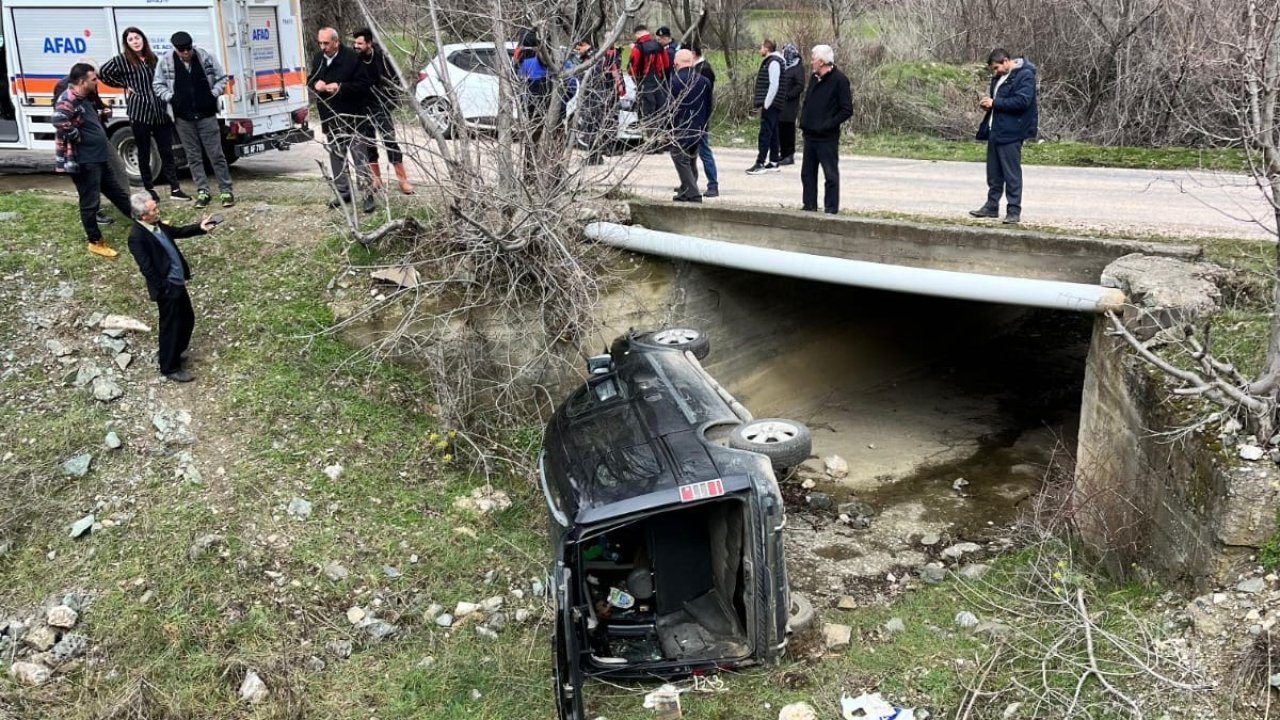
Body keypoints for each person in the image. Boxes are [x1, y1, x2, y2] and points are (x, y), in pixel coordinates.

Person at [126, 191, 218, 383]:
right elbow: (146, 268)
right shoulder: (137, 236)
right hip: (168, 289)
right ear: (142, 216)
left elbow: (177, 232)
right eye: (153, 210)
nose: (157, 211)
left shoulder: (156, 225)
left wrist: (199, 228)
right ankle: (169, 367)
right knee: (171, 326)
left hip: (177, 283)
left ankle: (176, 351)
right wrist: (164, 288)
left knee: (187, 319)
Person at [99, 27, 191, 203]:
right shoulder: (122, 60)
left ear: (143, 39)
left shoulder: (152, 58)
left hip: (159, 111)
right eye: (131, 39)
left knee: (166, 152)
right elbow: (103, 73)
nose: (135, 41)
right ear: (127, 43)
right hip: (140, 112)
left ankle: (175, 188)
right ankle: (150, 189)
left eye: (137, 37)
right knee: (144, 152)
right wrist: (124, 84)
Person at [52, 63, 133, 258]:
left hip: (98, 158)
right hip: (85, 161)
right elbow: (58, 120)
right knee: (90, 202)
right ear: (82, 82)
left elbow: (82, 118)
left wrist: (99, 115)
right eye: (94, 79)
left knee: (118, 194)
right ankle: (95, 241)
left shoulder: (83, 98)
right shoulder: (67, 99)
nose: (97, 82)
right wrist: (76, 136)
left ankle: (145, 222)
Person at [152, 31, 234, 209]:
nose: (186, 52)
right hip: (183, 118)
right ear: (175, 49)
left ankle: (226, 190)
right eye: (181, 50)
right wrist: (171, 98)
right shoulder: (165, 62)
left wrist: (213, 94)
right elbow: (158, 85)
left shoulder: (206, 57)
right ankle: (202, 191)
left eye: (188, 48)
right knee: (193, 156)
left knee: (216, 154)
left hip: (207, 115)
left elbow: (222, 78)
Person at [307, 27, 374, 213]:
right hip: (330, 116)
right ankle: (343, 192)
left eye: (326, 43)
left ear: (336, 42)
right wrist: (315, 83)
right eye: (320, 43)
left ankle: (367, 194)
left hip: (353, 116)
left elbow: (364, 85)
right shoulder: (318, 58)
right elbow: (311, 78)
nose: (323, 47)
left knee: (359, 157)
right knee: (336, 156)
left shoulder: (352, 58)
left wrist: (340, 87)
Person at [969, 48, 1038, 224]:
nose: (995, 72)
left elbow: (1023, 101)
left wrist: (995, 103)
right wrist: (989, 106)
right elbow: (998, 103)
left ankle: (1014, 210)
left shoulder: (1025, 75)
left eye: (996, 67)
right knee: (994, 173)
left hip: (1012, 131)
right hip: (995, 129)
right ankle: (991, 206)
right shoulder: (999, 78)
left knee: (1011, 174)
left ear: (1006, 61)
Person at [352, 28, 413, 195]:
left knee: (390, 141)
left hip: (381, 105)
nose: (356, 46)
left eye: (360, 43)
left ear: (369, 43)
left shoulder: (381, 57)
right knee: (368, 142)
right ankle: (376, 179)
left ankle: (403, 180)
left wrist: (390, 101)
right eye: (355, 43)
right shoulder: (354, 59)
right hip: (363, 106)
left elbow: (395, 79)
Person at [798, 44, 853, 214]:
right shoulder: (814, 78)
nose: (811, 62)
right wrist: (804, 121)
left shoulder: (840, 80)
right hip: (810, 135)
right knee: (807, 174)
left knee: (830, 175)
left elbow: (846, 110)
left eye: (813, 59)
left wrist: (827, 124)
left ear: (822, 62)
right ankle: (809, 206)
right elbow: (808, 101)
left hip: (827, 138)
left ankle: (830, 209)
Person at [668, 49, 711, 203]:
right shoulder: (704, 81)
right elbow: (709, 106)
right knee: (691, 158)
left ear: (676, 63)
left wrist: (668, 129)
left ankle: (693, 193)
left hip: (681, 126)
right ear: (691, 62)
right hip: (698, 126)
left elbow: (669, 108)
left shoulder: (674, 81)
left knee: (679, 157)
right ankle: (686, 190)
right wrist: (704, 126)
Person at [747, 40, 784, 175]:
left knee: (765, 133)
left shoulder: (773, 62)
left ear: (767, 49)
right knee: (773, 132)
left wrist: (767, 103)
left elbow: (774, 84)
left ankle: (760, 163)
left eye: (761, 47)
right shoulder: (773, 61)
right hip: (774, 103)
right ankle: (774, 161)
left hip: (771, 103)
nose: (760, 50)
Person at [628, 25, 670, 133]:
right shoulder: (659, 46)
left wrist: (636, 81)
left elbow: (631, 70)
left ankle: (649, 139)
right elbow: (666, 65)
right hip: (658, 83)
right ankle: (660, 138)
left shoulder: (637, 48)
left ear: (637, 34)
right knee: (660, 112)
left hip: (644, 84)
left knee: (647, 114)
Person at [689, 45, 719, 198]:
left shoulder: (704, 69)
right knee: (690, 152)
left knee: (704, 152)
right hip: (693, 117)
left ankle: (713, 184)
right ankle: (689, 182)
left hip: (700, 118)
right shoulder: (696, 68)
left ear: (693, 53)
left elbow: (705, 96)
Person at [776, 43, 807, 166]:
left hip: (790, 104)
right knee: (781, 128)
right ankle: (783, 153)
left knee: (788, 129)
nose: (782, 53)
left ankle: (789, 155)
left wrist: (788, 95)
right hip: (780, 103)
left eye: (784, 51)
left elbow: (800, 85)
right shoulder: (784, 66)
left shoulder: (797, 67)